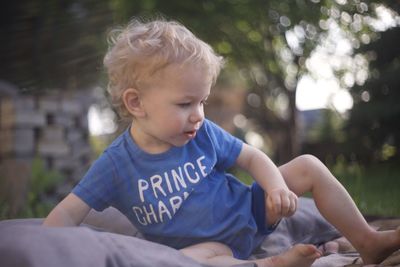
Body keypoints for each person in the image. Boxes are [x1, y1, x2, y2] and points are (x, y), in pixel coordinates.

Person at [43, 18, 400, 267]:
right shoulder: (116, 165)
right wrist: (46, 246)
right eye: (185, 104)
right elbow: (68, 212)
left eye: (202, 101)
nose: (198, 113)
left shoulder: (203, 131)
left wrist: (274, 187)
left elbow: (252, 157)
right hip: (205, 248)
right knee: (187, 262)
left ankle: (367, 240)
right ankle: (270, 263)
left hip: (250, 211)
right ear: (136, 103)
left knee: (307, 165)